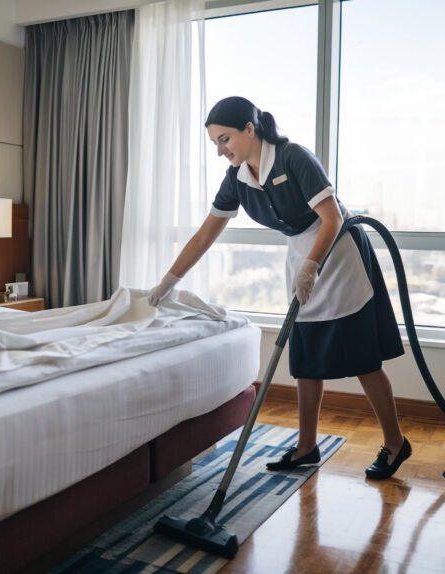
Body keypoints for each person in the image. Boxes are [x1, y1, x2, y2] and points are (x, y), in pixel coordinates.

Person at [148, 96, 411, 480]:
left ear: (249, 130)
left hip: (337, 251)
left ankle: (395, 442)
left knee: (362, 358)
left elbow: (332, 217)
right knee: (305, 358)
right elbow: (206, 234)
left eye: (225, 140)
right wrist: (168, 282)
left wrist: (311, 266)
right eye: (215, 144)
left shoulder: (292, 158)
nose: (221, 151)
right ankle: (306, 447)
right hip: (303, 253)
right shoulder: (237, 178)